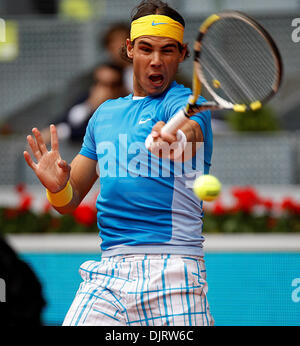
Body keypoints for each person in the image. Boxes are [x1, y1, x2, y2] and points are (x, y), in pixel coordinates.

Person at [23, 0, 214, 326]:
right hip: (109, 272)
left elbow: (190, 135)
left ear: (182, 54)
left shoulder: (187, 105)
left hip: (173, 271)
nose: (156, 61)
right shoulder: (104, 115)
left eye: (168, 50)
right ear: (128, 49)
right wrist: (57, 186)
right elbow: (69, 201)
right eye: (146, 48)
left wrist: (176, 141)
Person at [41, 62, 126, 144]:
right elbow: (64, 117)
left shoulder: (122, 111)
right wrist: (89, 105)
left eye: (109, 85)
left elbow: (90, 134)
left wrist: (59, 132)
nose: (101, 89)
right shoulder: (84, 98)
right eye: (97, 82)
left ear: (119, 89)